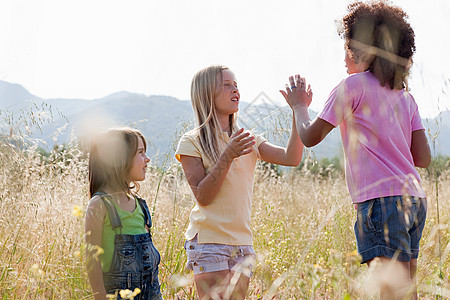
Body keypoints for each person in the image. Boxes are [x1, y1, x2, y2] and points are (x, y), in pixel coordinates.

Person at [282, 1, 431, 299]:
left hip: (381, 202)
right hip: (415, 199)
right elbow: (423, 158)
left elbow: (310, 137)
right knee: (406, 290)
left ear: (360, 49)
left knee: (391, 292)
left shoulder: (352, 86)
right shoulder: (406, 97)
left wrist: (299, 107)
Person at [175, 65, 306, 299]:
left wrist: (298, 109)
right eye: (226, 85)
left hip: (242, 243)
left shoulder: (249, 139)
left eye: (236, 85)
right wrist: (228, 154)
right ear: (206, 93)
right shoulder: (192, 141)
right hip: (209, 241)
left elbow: (292, 158)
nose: (235, 90)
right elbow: (203, 196)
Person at [85, 128, 163, 300]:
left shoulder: (141, 206)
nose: (147, 159)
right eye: (141, 153)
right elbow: (93, 262)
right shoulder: (100, 204)